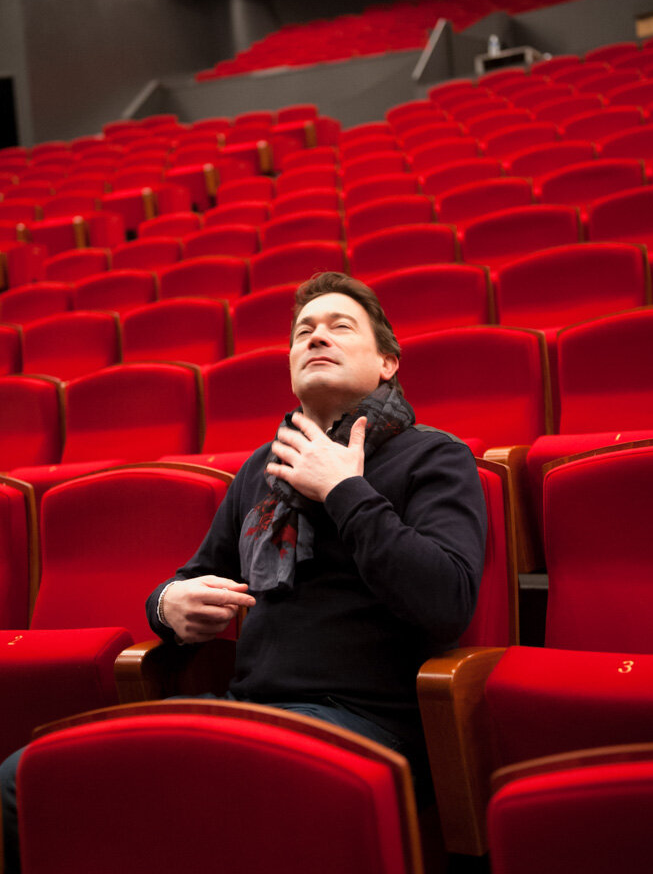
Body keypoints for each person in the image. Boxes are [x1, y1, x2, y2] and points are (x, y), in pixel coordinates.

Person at [1, 271, 486, 871]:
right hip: (247, 708)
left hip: (365, 722)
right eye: (304, 331)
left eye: (339, 327)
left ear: (388, 362)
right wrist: (168, 606)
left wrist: (344, 490)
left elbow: (447, 601)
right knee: (24, 779)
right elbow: (188, 577)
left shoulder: (436, 456)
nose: (316, 337)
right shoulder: (265, 468)